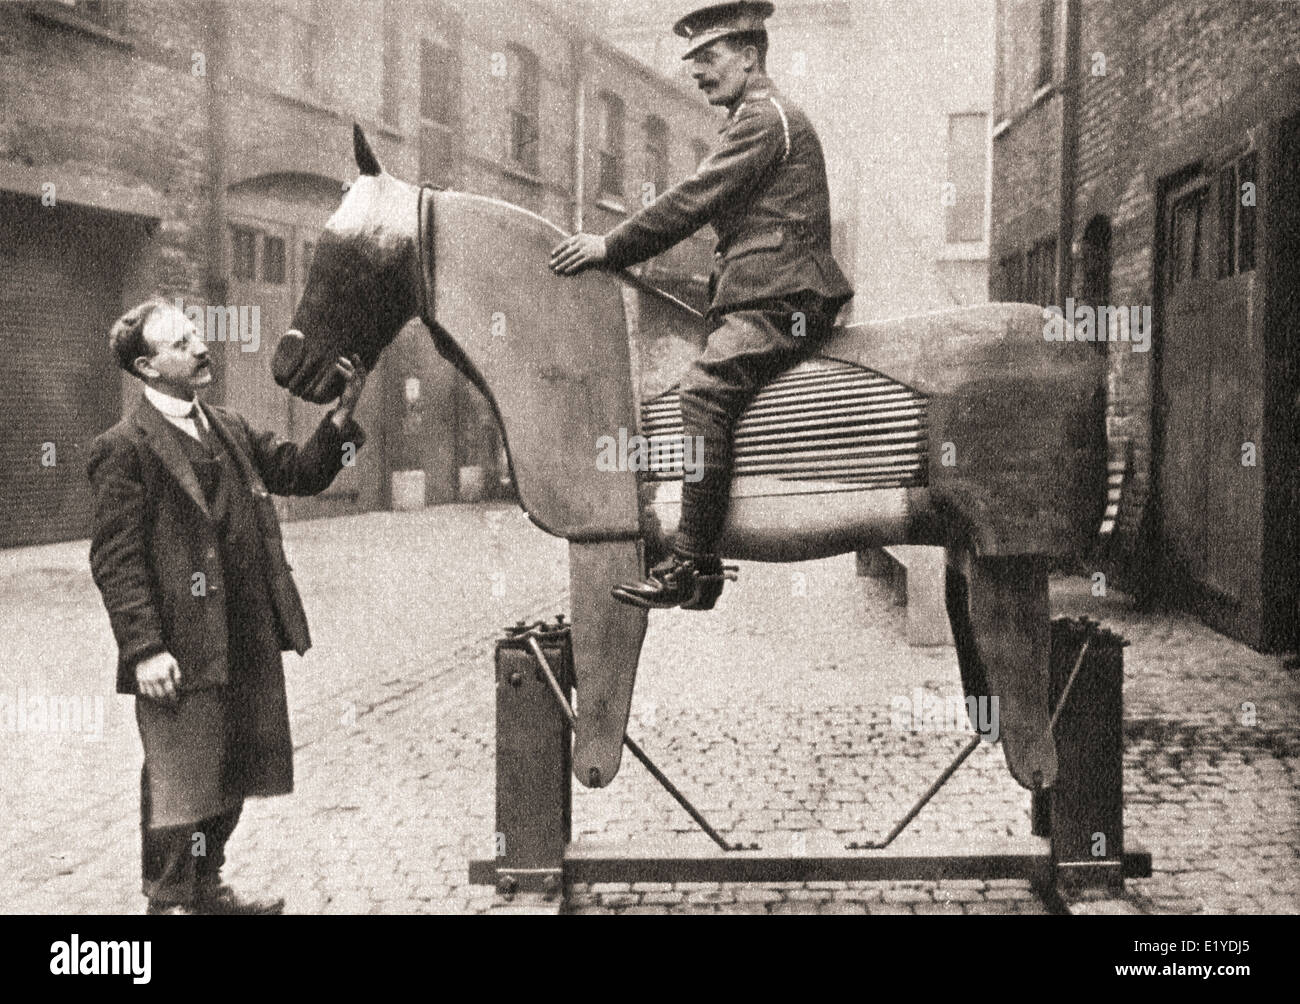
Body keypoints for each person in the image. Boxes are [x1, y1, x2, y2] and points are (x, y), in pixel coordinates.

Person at [550, 1, 853, 611]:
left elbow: (692, 200)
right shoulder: (757, 117)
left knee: (705, 390)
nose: (697, 71)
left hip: (782, 297)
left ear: (749, 55)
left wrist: (610, 245)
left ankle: (691, 563)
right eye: (692, 61)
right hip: (763, 293)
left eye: (709, 57)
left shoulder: (765, 119)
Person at [87, 299, 367, 914]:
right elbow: (116, 561)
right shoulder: (124, 448)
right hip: (178, 650)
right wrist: (145, 650)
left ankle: (207, 887)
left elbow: (300, 473)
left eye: (195, 334)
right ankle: (167, 904)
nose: (200, 347)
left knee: (235, 768)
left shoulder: (230, 427)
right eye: (181, 343)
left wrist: (342, 420)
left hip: (245, 633)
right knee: (180, 780)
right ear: (147, 366)